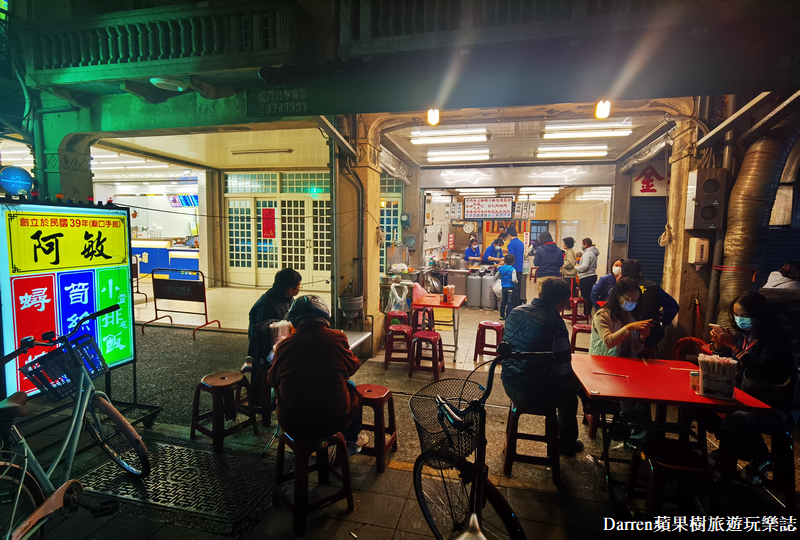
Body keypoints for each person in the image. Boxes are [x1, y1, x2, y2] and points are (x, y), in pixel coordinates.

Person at [710, 292, 798, 484]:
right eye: (736, 315)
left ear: (760, 315)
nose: (740, 320)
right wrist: (720, 347)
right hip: (747, 398)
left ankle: (761, 459)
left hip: (776, 405)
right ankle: (730, 449)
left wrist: (734, 347)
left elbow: (763, 371)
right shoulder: (745, 336)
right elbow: (733, 366)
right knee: (706, 409)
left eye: (745, 316)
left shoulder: (775, 339)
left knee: (736, 419)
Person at [267, 295, 368, 455]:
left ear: (294, 320)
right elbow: (352, 366)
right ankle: (352, 442)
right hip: (333, 421)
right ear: (324, 317)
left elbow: (272, 380)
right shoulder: (337, 338)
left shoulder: (284, 345)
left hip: (292, 422)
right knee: (352, 388)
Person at [501, 278, 585, 456]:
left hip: (508, 383)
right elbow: (563, 374)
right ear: (563, 304)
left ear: (540, 295)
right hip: (533, 393)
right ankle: (567, 443)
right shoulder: (556, 325)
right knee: (569, 397)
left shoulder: (515, 312)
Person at [590, 278, 653, 447]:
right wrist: (629, 328)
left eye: (635, 300)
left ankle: (634, 432)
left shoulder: (630, 316)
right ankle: (630, 430)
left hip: (626, 366)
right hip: (604, 367)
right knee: (636, 393)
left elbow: (636, 351)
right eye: (628, 299)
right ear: (618, 296)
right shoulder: (602, 315)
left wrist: (642, 338)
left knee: (646, 391)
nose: (631, 303)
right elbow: (609, 342)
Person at [620, 259, 679, 351]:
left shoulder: (617, 289)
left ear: (622, 274)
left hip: (622, 336)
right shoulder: (652, 287)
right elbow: (673, 306)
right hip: (650, 336)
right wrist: (662, 323)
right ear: (640, 273)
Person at [247, 268, 302, 358]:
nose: (300, 288)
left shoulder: (287, 297)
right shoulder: (266, 307)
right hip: (268, 353)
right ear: (291, 289)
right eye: (299, 285)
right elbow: (262, 337)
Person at [575, 238, 599, 308]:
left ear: (585, 244)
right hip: (592, 276)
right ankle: (588, 313)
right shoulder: (594, 253)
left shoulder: (587, 253)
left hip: (586, 277)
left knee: (586, 296)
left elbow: (585, 266)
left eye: (582, 244)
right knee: (589, 295)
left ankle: (586, 313)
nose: (582, 246)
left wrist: (576, 267)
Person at [505, 227, 526, 305]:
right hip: (520, 268)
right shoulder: (521, 243)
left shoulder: (511, 244)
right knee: (518, 287)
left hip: (513, 268)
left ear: (509, 235)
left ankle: (514, 305)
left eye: (507, 236)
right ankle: (519, 304)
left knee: (513, 288)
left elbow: (511, 257)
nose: (507, 238)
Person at [494, 254, 518, 320]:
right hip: (511, 288)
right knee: (510, 302)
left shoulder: (501, 268)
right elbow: (514, 280)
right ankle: (508, 317)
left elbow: (496, 276)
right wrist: (517, 282)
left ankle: (502, 316)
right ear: (513, 262)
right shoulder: (513, 269)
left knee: (503, 301)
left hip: (503, 287)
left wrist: (502, 278)